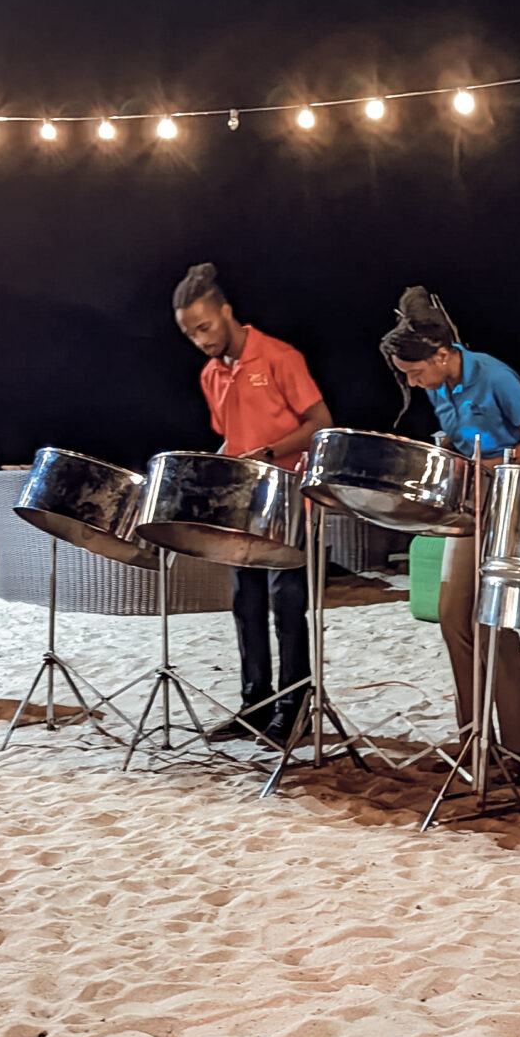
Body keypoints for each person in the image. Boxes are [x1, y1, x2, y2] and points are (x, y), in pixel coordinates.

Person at [381, 287, 520, 778]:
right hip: (468, 506)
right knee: (454, 617)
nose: (414, 384)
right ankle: (473, 741)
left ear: (442, 355)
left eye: (416, 373)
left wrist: (495, 462)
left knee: (490, 625)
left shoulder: (494, 376)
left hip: (505, 502)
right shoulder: (440, 384)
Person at [172, 262, 332, 744]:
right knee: (246, 603)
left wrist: (269, 453)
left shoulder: (280, 357)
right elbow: (231, 440)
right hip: (244, 506)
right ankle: (255, 705)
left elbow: (319, 422)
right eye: (190, 333)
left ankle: (294, 705)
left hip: (288, 498)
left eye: (205, 327)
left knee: (288, 605)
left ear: (226, 312)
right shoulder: (210, 375)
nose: (200, 339)